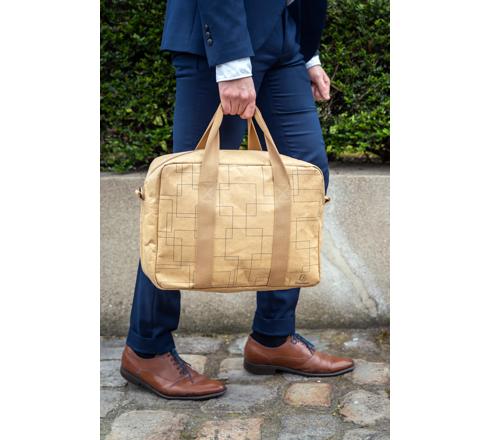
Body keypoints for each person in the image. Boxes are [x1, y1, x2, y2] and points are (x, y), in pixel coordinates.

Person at [120, 0, 354, 400]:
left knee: (304, 179)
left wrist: (308, 52)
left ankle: (272, 336)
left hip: (284, 38)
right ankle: (147, 347)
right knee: (184, 195)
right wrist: (231, 61)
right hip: (223, 39)